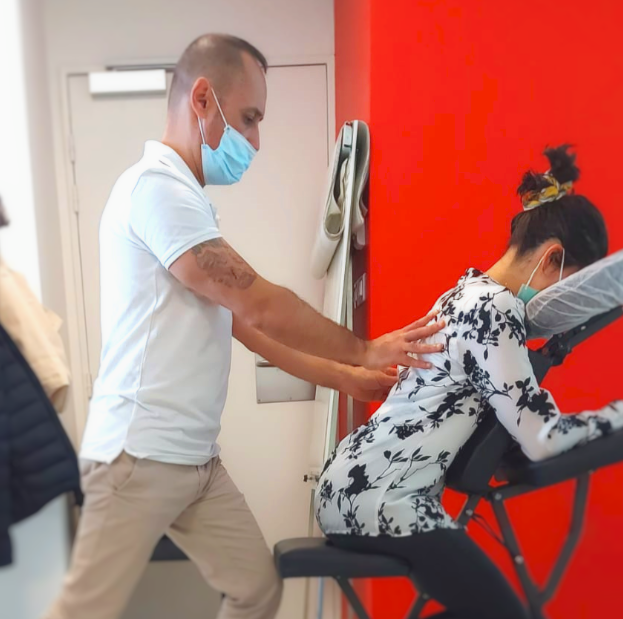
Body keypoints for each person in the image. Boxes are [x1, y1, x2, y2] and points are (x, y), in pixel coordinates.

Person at [44, 34, 444, 619]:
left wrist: (346, 378)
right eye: (250, 118)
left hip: (196, 463)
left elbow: (248, 330)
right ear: (203, 98)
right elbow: (259, 305)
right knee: (85, 610)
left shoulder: (189, 201)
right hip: (139, 457)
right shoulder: (156, 190)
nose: (255, 141)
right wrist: (364, 350)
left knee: (256, 589)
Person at [315, 145, 623, 619]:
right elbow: (542, 437)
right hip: (384, 497)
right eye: (569, 289)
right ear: (552, 259)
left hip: (348, 487)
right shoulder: (495, 309)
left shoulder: (463, 292)